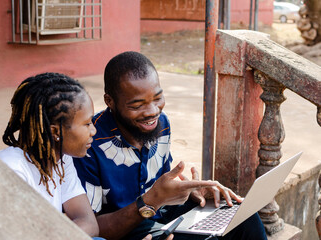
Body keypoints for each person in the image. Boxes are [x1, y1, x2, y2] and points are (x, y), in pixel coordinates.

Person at [73, 52, 268, 240]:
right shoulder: (89, 143)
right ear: (110, 101)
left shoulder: (161, 123)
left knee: (242, 215)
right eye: (137, 105)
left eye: (157, 98)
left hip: (161, 213)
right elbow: (92, 230)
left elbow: (163, 187)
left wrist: (190, 191)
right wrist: (152, 200)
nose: (152, 112)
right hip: (124, 229)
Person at [0, 72, 102, 239]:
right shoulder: (13, 169)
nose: (93, 131)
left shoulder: (61, 159)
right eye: (87, 124)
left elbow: (88, 222)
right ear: (55, 131)